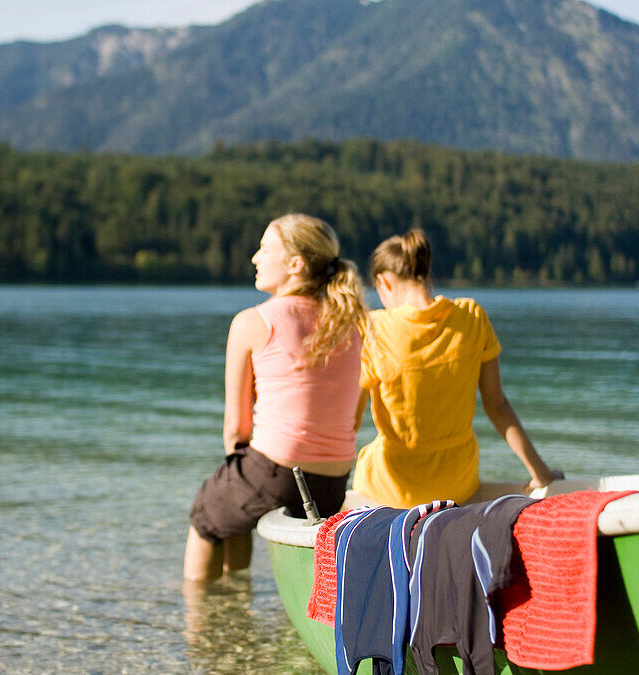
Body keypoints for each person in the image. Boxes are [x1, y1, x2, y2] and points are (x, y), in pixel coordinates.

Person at [183, 214, 366, 583]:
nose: (255, 257)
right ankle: (236, 601)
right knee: (231, 510)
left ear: (295, 265)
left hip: (276, 469)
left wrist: (234, 469)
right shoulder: (350, 322)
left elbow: (236, 427)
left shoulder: (253, 321)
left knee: (206, 514)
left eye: (265, 248)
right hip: (333, 480)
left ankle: (201, 620)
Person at [352, 229, 562, 509]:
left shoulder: (372, 328)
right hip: (458, 484)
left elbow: (348, 423)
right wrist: (541, 474)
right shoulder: (472, 316)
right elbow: (497, 406)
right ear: (425, 273)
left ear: (383, 282)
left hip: (394, 487)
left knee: (367, 461)